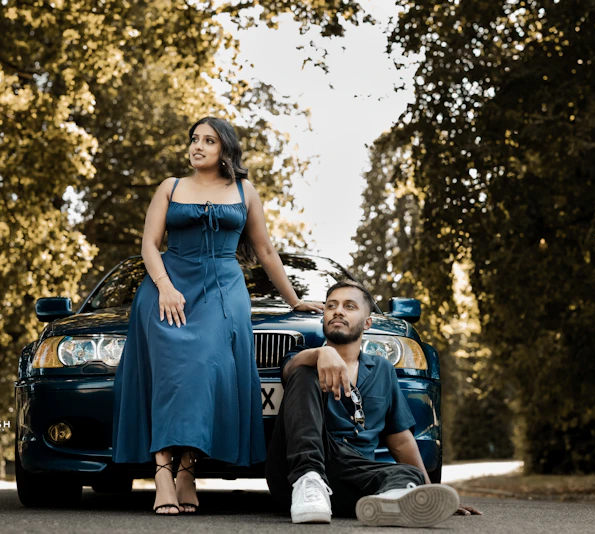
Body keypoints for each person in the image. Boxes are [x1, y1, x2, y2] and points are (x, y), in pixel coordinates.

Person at [111, 117, 324, 515]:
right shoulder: (170, 187)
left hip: (222, 292)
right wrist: (165, 287)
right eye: (194, 139)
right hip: (166, 290)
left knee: (202, 370)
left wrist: (294, 301)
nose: (198, 146)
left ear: (225, 148)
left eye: (208, 140)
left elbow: (266, 251)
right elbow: (149, 245)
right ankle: (162, 470)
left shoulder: (245, 191)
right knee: (170, 375)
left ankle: (187, 469)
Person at [265, 280, 482, 526]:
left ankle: (389, 503)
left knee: (411, 474)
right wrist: (321, 353)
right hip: (298, 473)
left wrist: (431, 493)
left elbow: (400, 440)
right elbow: (289, 369)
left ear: (367, 323)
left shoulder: (382, 369)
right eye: (331, 306)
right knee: (304, 372)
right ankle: (309, 480)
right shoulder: (303, 358)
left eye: (349, 306)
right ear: (323, 318)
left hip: (354, 475)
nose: (338, 311)